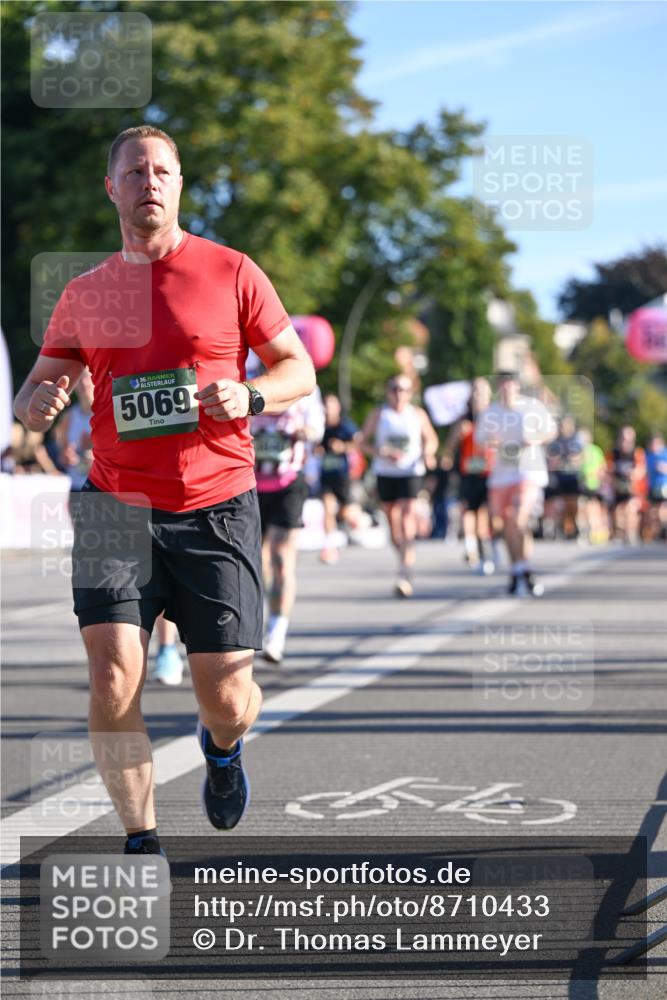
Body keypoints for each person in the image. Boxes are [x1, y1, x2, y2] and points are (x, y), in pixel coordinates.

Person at [13, 125, 315, 855]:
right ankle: (141, 838)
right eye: (134, 171)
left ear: (180, 184)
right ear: (111, 188)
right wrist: (37, 406)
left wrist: (250, 395)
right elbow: (33, 392)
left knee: (226, 696)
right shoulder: (85, 294)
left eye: (163, 170)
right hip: (115, 503)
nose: (149, 181)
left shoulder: (231, 270)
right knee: (115, 675)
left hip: (216, 502)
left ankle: (223, 747)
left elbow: (297, 368)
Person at [252, 376, 325, 664]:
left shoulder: (305, 385)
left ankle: (277, 631)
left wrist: (304, 432)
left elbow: (317, 428)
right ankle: (260, 621)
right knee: (256, 561)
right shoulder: (250, 379)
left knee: (282, 557)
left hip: (289, 482)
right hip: (252, 483)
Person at [475, 371, 557, 597]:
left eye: (510, 384)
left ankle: (522, 570)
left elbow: (551, 430)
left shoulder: (532, 406)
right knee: (506, 525)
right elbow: (480, 440)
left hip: (528, 472)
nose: (506, 389)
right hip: (501, 475)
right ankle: (519, 569)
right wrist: (492, 443)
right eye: (502, 385)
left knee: (518, 518)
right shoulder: (491, 412)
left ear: (517, 386)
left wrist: (535, 440)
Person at [358, 375, 438, 597]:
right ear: (388, 391)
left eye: (404, 389)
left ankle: (404, 571)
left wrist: (428, 452)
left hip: (411, 471)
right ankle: (403, 556)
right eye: (395, 389)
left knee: (407, 517)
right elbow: (362, 442)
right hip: (385, 472)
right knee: (393, 524)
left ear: (410, 393)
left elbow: (431, 439)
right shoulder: (380, 414)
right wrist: (381, 452)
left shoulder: (417, 414)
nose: (399, 393)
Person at [445, 377, 496, 573]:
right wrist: (458, 436)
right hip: (468, 471)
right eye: (475, 391)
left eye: (482, 391)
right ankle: (471, 547)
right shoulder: (463, 419)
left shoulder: (493, 416)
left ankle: (488, 545)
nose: (478, 395)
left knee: (485, 512)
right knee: (468, 510)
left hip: (489, 471)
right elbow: (450, 446)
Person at [317, 392, 362, 564]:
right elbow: (314, 445)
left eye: (331, 406)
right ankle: (330, 547)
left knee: (347, 513)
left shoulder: (344, 426)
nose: (328, 410)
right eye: (326, 406)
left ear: (338, 408)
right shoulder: (320, 426)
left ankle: (357, 523)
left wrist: (343, 446)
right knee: (328, 509)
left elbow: (359, 441)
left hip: (342, 476)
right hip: (326, 475)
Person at [608, 425, 646, 544]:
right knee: (617, 511)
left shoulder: (637, 452)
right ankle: (619, 533)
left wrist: (632, 474)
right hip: (617, 487)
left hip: (632, 488)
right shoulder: (613, 453)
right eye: (624, 439)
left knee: (631, 509)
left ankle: (631, 533)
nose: (626, 442)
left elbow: (641, 470)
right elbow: (607, 469)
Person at [645, 432, 667, 541]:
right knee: (653, 510)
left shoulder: (664, 454)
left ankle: (663, 528)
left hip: (663, 486)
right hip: (652, 486)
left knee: (662, 507)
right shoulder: (648, 456)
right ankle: (656, 531)